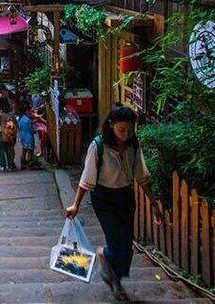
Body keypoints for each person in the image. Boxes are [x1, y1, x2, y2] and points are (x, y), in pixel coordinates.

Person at [65, 104, 163, 301]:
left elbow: (141, 177)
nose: (126, 134)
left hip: (126, 197)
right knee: (117, 241)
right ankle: (109, 264)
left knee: (126, 245)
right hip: (104, 199)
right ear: (110, 125)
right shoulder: (98, 146)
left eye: (129, 130)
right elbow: (86, 179)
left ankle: (113, 273)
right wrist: (75, 204)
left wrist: (154, 204)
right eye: (121, 130)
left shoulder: (133, 146)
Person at [0, 97, 17, 171]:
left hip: (2, 133)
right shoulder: (11, 114)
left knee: (2, 149)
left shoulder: (0, 114)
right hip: (10, 134)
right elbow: (15, 124)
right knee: (10, 149)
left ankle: (3, 165)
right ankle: (10, 164)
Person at [17, 104, 35, 169]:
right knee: (30, 151)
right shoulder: (27, 119)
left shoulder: (19, 118)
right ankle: (30, 164)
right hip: (29, 136)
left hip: (22, 136)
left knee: (24, 150)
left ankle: (22, 164)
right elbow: (32, 129)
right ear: (26, 110)